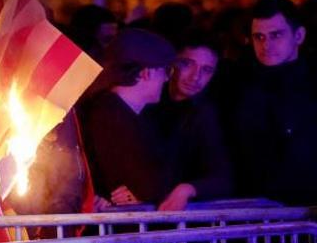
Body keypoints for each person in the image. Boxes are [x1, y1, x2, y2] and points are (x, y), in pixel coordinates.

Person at [228, 0, 317, 205]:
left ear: (299, 36)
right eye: (258, 37)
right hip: (255, 216)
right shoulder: (239, 84)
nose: (266, 44)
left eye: (276, 35)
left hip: (315, 212)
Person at [80, 29, 177, 209]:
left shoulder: (122, 112)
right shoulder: (109, 115)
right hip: (119, 231)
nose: (165, 79)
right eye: (165, 71)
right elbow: (146, 184)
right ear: (146, 72)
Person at [146, 30, 233, 210]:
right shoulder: (146, 100)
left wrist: (188, 189)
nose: (196, 77)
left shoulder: (206, 114)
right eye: (187, 64)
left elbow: (223, 177)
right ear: (172, 62)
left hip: (180, 219)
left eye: (207, 70)